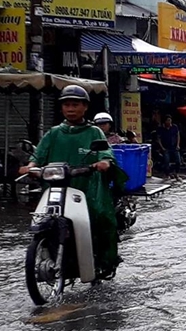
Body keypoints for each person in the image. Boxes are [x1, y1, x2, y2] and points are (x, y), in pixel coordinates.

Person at [18, 85, 125, 277]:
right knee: (44, 217)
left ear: (85, 107)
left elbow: (106, 154)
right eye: (66, 105)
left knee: (102, 218)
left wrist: (104, 162)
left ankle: (106, 261)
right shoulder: (54, 133)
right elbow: (38, 155)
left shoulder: (94, 132)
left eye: (75, 104)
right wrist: (30, 166)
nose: (70, 109)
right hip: (56, 187)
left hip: (88, 188)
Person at [156, 115, 181, 180]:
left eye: (170, 120)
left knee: (178, 161)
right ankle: (167, 174)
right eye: (168, 120)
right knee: (166, 161)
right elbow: (158, 139)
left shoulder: (174, 127)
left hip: (174, 147)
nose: (169, 122)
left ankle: (176, 173)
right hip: (166, 147)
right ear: (165, 121)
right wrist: (162, 147)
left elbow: (178, 136)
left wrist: (178, 145)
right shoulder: (161, 129)